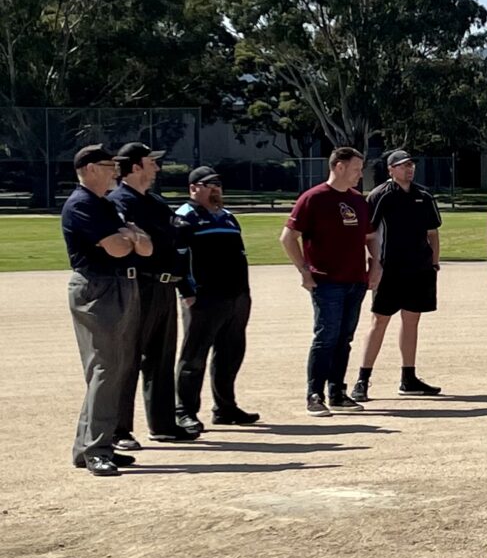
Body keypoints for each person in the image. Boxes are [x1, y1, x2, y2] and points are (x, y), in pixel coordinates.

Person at [63, 144, 152, 475]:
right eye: (107, 164)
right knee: (105, 367)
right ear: (88, 169)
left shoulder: (104, 204)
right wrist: (128, 237)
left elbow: (146, 247)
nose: (115, 170)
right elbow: (117, 248)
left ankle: (87, 446)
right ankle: (97, 448)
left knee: (114, 367)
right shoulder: (82, 205)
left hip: (121, 285)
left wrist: (130, 237)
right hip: (98, 288)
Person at [282, 147, 380, 417]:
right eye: (356, 169)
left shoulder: (359, 201)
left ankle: (337, 392)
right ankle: (314, 393)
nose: (360, 174)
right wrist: (303, 270)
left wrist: (375, 264)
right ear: (339, 166)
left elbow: (371, 238)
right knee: (326, 337)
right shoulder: (313, 199)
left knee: (344, 339)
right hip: (327, 282)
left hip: (355, 280)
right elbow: (288, 237)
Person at [109, 142, 189, 445]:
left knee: (161, 357)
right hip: (138, 285)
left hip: (164, 286)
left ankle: (163, 424)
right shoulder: (120, 202)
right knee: (128, 358)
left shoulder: (155, 202)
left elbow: (176, 236)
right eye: (150, 162)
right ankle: (119, 429)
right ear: (135, 166)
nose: (156, 167)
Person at [352, 149, 443, 402]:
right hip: (389, 269)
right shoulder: (380, 195)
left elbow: (433, 233)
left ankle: (408, 377)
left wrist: (434, 264)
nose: (409, 169)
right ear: (391, 170)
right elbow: (368, 233)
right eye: (402, 166)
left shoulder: (423, 196)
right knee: (379, 321)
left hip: (419, 270)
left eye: (411, 165)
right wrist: (374, 264)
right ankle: (363, 379)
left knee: (411, 321)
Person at [172, 166, 258, 432]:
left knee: (230, 354)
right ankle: (184, 411)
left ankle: (225, 407)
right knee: (194, 356)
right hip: (204, 298)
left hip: (236, 297)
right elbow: (178, 258)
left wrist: (244, 294)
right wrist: (186, 291)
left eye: (218, 184)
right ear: (194, 188)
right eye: (209, 185)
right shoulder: (184, 217)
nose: (215, 189)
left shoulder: (229, 218)